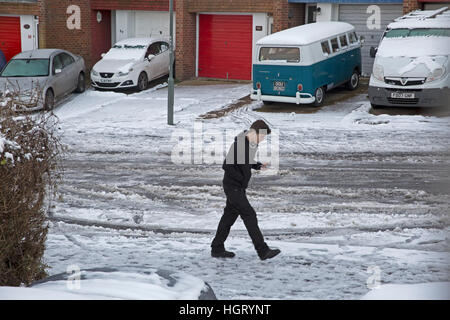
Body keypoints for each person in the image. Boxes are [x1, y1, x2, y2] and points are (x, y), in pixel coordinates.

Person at [211, 120, 281, 261]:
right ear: (254, 132)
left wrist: (257, 166)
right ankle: (263, 251)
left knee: (228, 217)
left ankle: (217, 248)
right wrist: (240, 179)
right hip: (233, 187)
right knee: (249, 215)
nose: (262, 140)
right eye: (261, 137)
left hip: (238, 188)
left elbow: (245, 160)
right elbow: (227, 166)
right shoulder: (239, 145)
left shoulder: (248, 144)